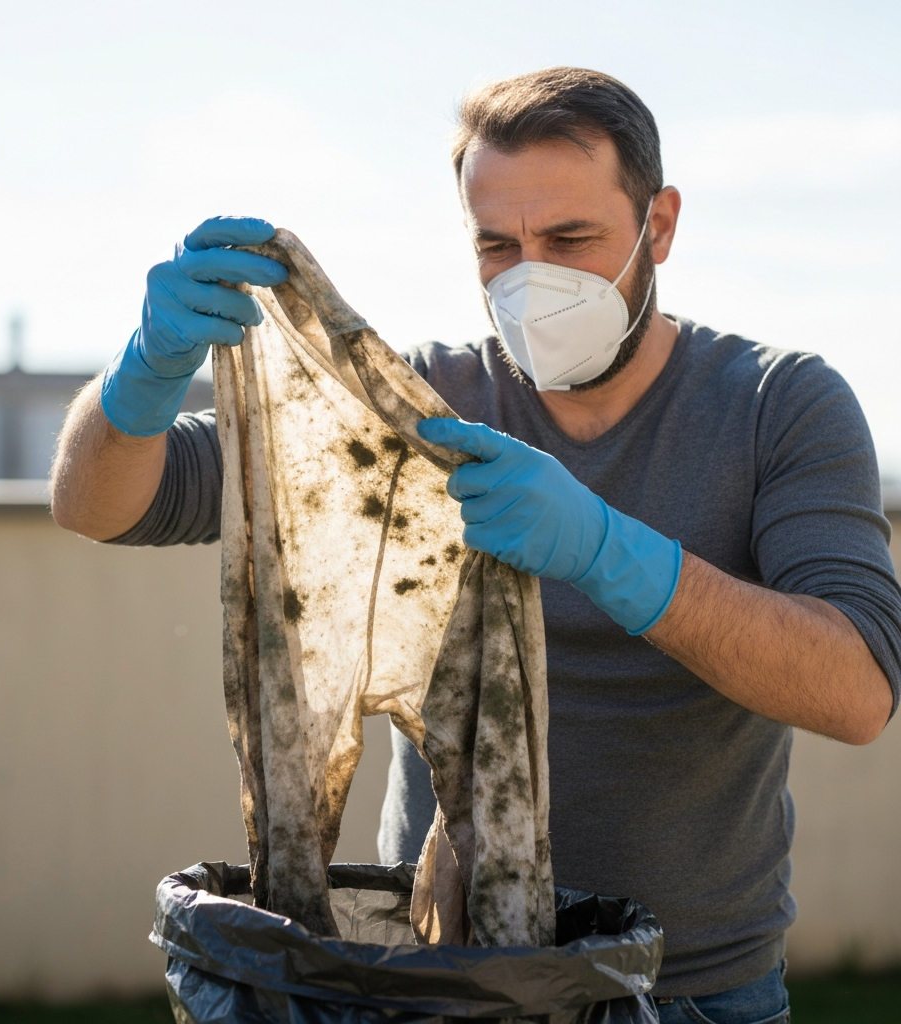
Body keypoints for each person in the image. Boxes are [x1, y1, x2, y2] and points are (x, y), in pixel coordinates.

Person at [50, 67, 900, 1023]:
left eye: (572, 238)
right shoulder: (420, 409)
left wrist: (605, 551)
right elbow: (104, 504)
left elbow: (858, 689)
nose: (532, 273)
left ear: (658, 226)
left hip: (694, 990)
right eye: (498, 244)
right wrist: (139, 381)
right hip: (445, 981)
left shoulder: (775, 406)